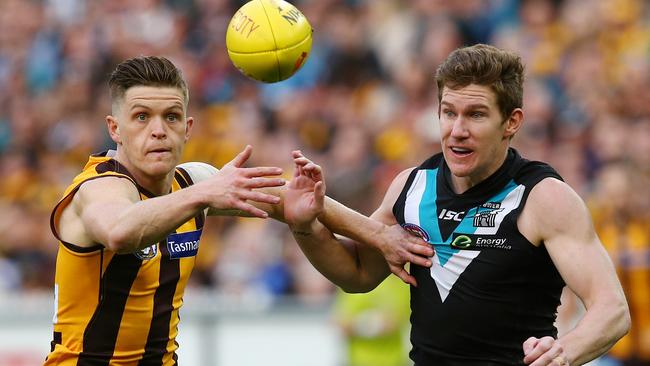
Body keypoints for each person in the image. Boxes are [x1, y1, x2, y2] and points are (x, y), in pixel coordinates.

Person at [44, 56, 431, 365]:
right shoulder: (99, 187)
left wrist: (377, 234)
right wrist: (203, 195)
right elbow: (120, 231)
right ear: (115, 128)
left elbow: (293, 200)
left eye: (172, 117)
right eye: (142, 117)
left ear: (188, 127)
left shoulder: (192, 182)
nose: (158, 130)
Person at [282, 44, 631, 366]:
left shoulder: (543, 196)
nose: (457, 130)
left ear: (512, 121)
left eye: (476, 115)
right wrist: (304, 227)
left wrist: (563, 352)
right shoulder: (412, 186)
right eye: (449, 113)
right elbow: (356, 274)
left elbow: (612, 309)